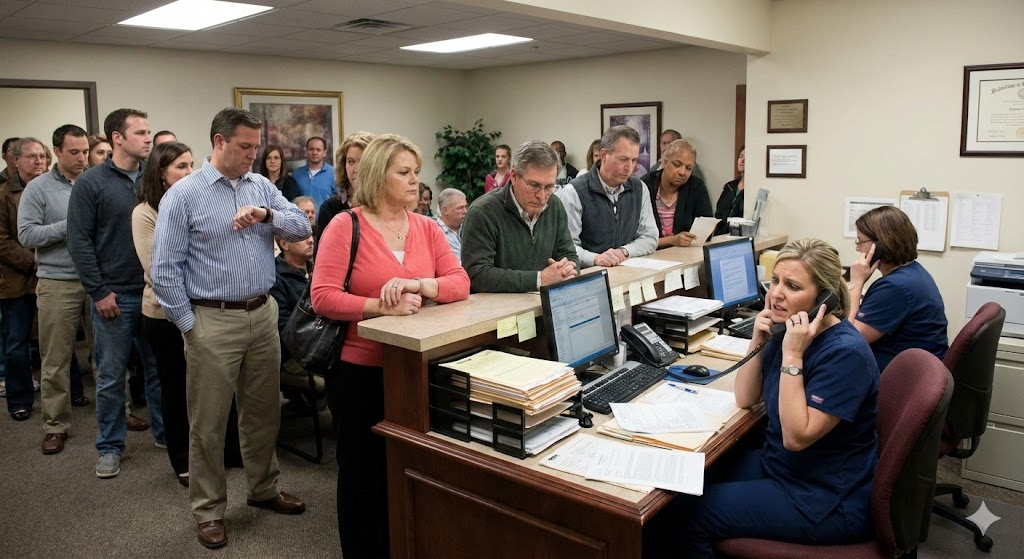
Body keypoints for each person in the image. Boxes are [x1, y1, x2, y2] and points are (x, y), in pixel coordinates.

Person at [151, 108, 311, 549]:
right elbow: (164, 271)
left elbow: (301, 226)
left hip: (261, 314)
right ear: (219, 142)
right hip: (211, 319)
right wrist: (190, 328)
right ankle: (208, 511)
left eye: (256, 147)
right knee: (209, 422)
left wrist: (265, 215)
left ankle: (263, 489)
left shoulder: (261, 186)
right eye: (244, 146)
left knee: (263, 412)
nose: (252, 155)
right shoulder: (183, 195)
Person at [666, 238, 878, 558]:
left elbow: (797, 437)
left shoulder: (845, 354)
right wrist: (758, 337)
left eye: (792, 286)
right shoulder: (789, 329)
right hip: (785, 468)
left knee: (695, 515)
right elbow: (745, 397)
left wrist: (793, 356)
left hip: (825, 498)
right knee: (682, 487)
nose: (776, 293)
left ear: (825, 298)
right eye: (775, 280)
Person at [310, 133, 470, 558]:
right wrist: (380, 307)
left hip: (416, 369)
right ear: (379, 175)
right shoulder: (347, 225)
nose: (415, 181)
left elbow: (460, 282)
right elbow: (322, 296)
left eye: (416, 172)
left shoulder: (426, 226)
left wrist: (419, 283)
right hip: (360, 371)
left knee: (410, 474)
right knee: (363, 479)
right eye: (405, 172)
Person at [68, 108, 164, 477]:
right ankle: (109, 446)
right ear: (116, 138)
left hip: (152, 292)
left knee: (158, 370)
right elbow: (79, 242)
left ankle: (163, 431)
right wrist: (98, 291)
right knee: (110, 376)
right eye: (139, 132)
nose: (147, 138)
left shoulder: (152, 180)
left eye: (149, 131)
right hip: (115, 295)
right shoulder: (91, 182)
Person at [19, 125, 92, 452]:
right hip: (57, 281)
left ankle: (121, 414)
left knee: (109, 355)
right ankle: (55, 425)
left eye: (85, 151)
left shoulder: (95, 182)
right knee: (56, 359)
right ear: (57, 152)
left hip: (98, 281)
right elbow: (27, 236)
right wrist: (69, 225)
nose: (81, 158)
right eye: (74, 152)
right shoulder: (38, 189)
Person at [132, 141, 194, 486]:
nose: (189, 173)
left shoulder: (190, 203)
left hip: (200, 309)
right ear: (161, 174)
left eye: (190, 165)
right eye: (181, 167)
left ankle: (221, 451)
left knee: (205, 390)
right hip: (163, 314)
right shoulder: (144, 213)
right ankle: (182, 460)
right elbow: (159, 270)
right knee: (175, 389)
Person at [461, 140, 579, 293]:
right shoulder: (483, 212)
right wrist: (539, 279)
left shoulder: (555, 205)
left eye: (550, 186)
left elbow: (569, 255)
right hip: (500, 312)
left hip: (545, 306)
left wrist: (566, 271)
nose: (542, 196)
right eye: (534, 185)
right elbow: (477, 275)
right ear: (514, 176)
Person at [848, 205, 948, 372]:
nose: (857, 248)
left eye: (860, 241)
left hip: (901, 379)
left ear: (880, 245)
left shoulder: (895, 287)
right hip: (915, 371)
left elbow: (849, 339)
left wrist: (856, 283)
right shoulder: (913, 272)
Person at [557, 125, 658, 267]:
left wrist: (624, 252)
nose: (629, 167)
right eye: (623, 159)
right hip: (590, 278)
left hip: (629, 274)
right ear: (603, 155)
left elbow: (650, 237)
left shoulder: (640, 188)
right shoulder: (574, 192)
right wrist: (595, 259)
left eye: (634, 160)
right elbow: (566, 248)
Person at [0, 137, 46, 422]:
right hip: (16, 281)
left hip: (51, 277)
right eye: (31, 156)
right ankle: (19, 399)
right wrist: (35, 261)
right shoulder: (4, 194)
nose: (38, 161)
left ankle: (74, 392)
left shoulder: (51, 189)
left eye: (42, 156)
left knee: (54, 340)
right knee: (17, 343)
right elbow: (1, 241)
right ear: (15, 160)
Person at [641, 139, 713, 248]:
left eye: (689, 168)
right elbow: (636, 237)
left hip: (685, 254)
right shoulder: (644, 185)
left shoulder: (696, 187)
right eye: (677, 165)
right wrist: (672, 240)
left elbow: (706, 231)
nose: (682, 172)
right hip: (649, 254)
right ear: (664, 162)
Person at [317, 131, 375, 249]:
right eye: (351, 162)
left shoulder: (387, 206)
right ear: (344, 166)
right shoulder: (330, 208)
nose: (357, 169)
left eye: (363, 161)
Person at [292, 136, 334, 213]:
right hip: (301, 222)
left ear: (324, 153)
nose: (314, 152)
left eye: (318, 150)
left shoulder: (334, 173)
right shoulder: (297, 174)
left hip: (328, 222)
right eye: (311, 149)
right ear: (306, 152)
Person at [714, 146, 745, 235]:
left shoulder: (753, 189)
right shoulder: (729, 186)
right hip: (721, 236)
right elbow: (718, 214)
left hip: (740, 236)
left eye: (747, 158)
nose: (742, 161)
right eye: (740, 156)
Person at [433, 188, 467, 262]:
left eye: (465, 207)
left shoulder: (469, 228)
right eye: (460, 208)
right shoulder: (434, 232)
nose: (465, 211)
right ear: (445, 210)